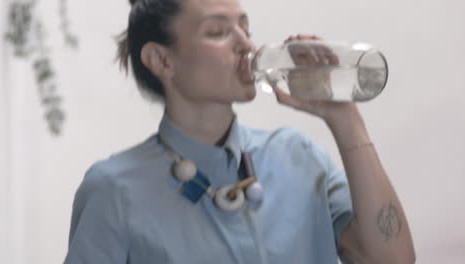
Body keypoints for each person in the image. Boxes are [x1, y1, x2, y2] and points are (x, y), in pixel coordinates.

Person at [64, 0, 415, 263]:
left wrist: (345, 119)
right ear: (161, 60)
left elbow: (393, 260)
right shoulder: (114, 190)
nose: (247, 45)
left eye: (245, 29)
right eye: (218, 32)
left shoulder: (298, 157)